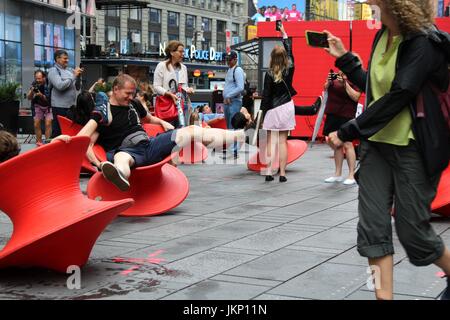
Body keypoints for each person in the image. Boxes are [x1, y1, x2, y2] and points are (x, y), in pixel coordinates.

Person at [324, 0, 450, 300]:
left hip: (412, 148)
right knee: (372, 232)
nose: (367, 2)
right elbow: (375, 86)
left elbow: (400, 94)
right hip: (375, 149)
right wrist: (345, 60)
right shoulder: (384, 35)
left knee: (413, 233)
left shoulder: (423, 41)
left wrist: (346, 131)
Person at [61, 74, 245, 192]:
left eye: (133, 93)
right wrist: (98, 164)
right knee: (122, 159)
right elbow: (86, 140)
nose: (131, 97)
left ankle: (239, 135)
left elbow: (149, 119)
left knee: (193, 130)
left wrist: (164, 122)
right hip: (125, 150)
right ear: (115, 90)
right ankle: (119, 176)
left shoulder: (133, 105)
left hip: (149, 144)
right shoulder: (102, 111)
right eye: (127, 93)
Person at [260, 22, 296, 183]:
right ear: (284, 59)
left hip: (273, 109)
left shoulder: (268, 74)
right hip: (287, 106)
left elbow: (266, 96)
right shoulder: (290, 69)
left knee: (270, 141)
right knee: (283, 141)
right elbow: (290, 52)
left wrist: (261, 114)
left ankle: (268, 171)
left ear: (272, 58)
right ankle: (282, 173)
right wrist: (284, 33)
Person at [322, 70, 361, 186]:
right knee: (334, 143)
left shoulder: (356, 79)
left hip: (346, 115)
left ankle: (351, 175)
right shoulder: (336, 77)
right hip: (332, 113)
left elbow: (356, 97)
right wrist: (328, 82)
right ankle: (337, 174)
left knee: (348, 144)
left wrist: (345, 83)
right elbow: (325, 88)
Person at [153, 41, 194, 127]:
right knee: (169, 131)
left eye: (183, 52)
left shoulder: (184, 68)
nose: (182, 54)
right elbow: (156, 86)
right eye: (180, 51)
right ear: (172, 52)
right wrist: (169, 94)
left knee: (182, 131)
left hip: (183, 104)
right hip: (167, 104)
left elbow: (183, 86)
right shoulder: (161, 66)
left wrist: (188, 89)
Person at [48, 49, 83, 137]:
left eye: (67, 58)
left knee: (69, 132)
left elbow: (78, 87)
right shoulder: (53, 71)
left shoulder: (70, 71)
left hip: (71, 106)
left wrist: (78, 77)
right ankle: (53, 149)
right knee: (58, 131)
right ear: (57, 59)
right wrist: (74, 76)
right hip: (59, 107)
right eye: (65, 58)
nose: (67, 60)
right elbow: (60, 86)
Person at [223, 50, 245, 159]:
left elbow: (240, 87)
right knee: (229, 127)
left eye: (230, 59)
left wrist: (228, 95)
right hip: (228, 102)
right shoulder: (229, 70)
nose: (228, 61)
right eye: (227, 59)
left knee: (234, 126)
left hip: (234, 101)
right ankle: (231, 150)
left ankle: (233, 151)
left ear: (235, 59)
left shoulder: (237, 70)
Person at [27, 70, 52, 146]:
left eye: (39, 78)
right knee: (36, 124)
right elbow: (29, 97)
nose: (37, 80)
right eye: (36, 78)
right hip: (38, 106)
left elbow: (48, 99)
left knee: (48, 124)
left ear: (44, 77)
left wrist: (40, 95)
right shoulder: (34, 83)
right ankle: (39, 143)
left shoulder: (49, 84)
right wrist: (31, 91)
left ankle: (48, 144)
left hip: (48, 106)